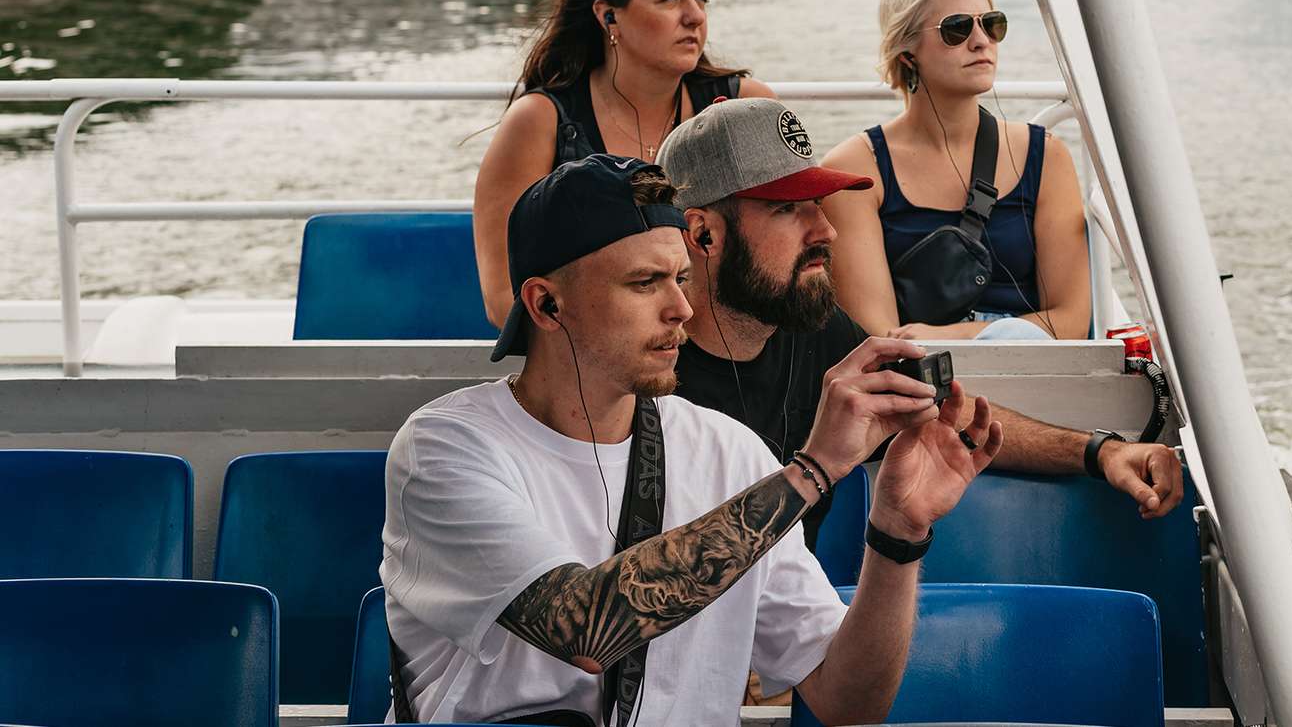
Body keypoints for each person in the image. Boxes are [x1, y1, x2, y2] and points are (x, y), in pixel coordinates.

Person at [382, 153, 1000, 725]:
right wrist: (811, 470)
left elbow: (846, 703)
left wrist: (896, 533)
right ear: (546, 305)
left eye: (681, 277)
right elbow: (585, 629)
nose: (682, 307)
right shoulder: (445, 448)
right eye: (645, 283)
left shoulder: (729, 451)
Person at [661, 98, 1184, 527]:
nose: (825, 231)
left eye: (817, 204)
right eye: (785, 209)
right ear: (704, 233)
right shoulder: (647, 384)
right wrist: (815, 469)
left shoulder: (810, 330)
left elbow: (948, 413)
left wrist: (1103, 453)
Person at [474, 0, 772, 326]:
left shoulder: (744, 107)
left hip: (726, 350)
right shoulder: (541, 122)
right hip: (601, 363)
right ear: (608, 15)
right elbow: (502, 298)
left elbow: (793, 247)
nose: (694, 17)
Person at [820, 0, 1090, 341]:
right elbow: (879, 339)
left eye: (992, 24)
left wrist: (954, 336)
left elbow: (1071, 321)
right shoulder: (856, 170)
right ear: (907, 52)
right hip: (918, 383)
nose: (981, 41)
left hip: (1032, 369)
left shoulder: (1045, 156)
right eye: (957, 28)